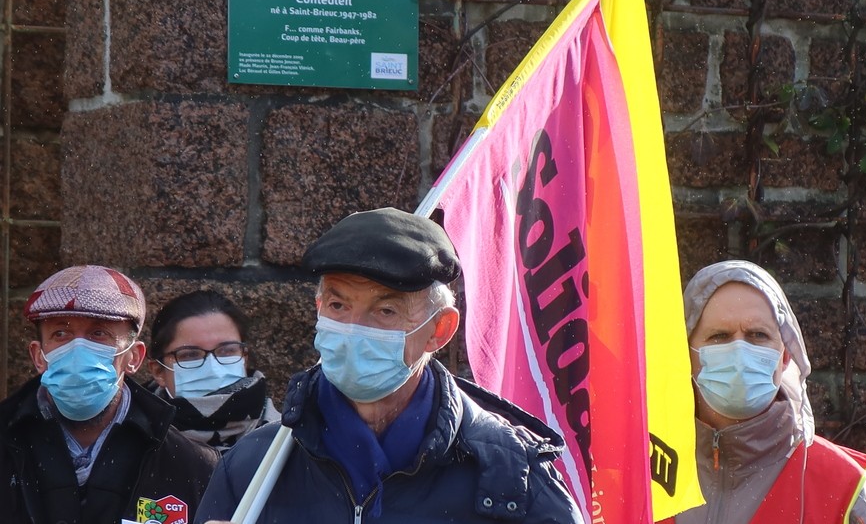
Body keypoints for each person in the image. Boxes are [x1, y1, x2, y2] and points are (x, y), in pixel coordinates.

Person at [196, 207, 584, 524]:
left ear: (439, 330)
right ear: (318, 309)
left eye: (385, 310)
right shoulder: (254, 468)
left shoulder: (512, 478)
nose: (352, 329)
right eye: (338, 305)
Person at [670, 260, 866, 524]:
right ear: (685, 354)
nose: (739, 352)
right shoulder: (639, 474)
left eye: (757, 335)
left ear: (786, 355)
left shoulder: (845, 490)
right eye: (719, 336)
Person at [0, 265, 220, 524]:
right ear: (39, 356)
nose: (78, 349)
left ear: (134, 357)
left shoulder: (190, 466)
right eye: (61, 334)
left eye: (98, 334)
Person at [147, 290, 281, 451]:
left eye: (227, 351)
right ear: (158, 372)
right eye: (190, 354)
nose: (213, 368)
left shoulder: (286, 442)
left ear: (244, 357)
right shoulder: (134, 441)